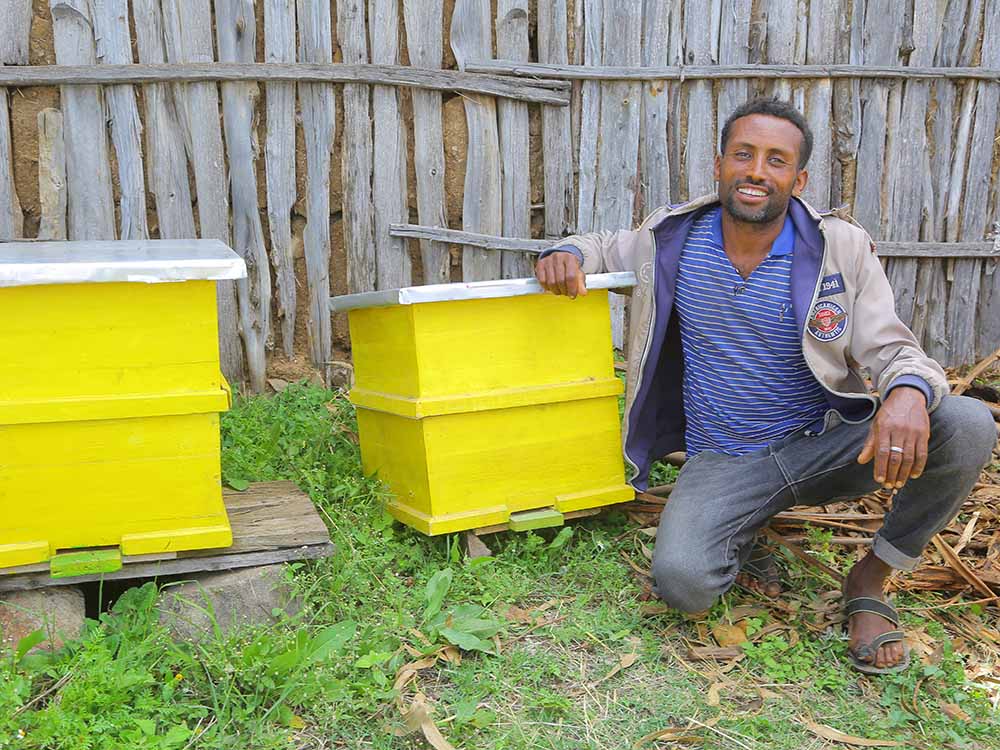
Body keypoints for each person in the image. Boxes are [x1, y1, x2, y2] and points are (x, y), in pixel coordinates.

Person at [534, 97, 996, 674]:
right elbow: (605, 246)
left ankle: (871, 579)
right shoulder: (672, 237)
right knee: (684, 584)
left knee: (968, 423)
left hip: (826, 445)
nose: (756, 171)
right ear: (719, 165)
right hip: (723, 460)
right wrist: (567, 250)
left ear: (797, 179)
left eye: (776, 161)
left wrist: (906, 390)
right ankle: (744, 522)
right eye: (743, 154)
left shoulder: (837, 248)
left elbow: (891, 346)